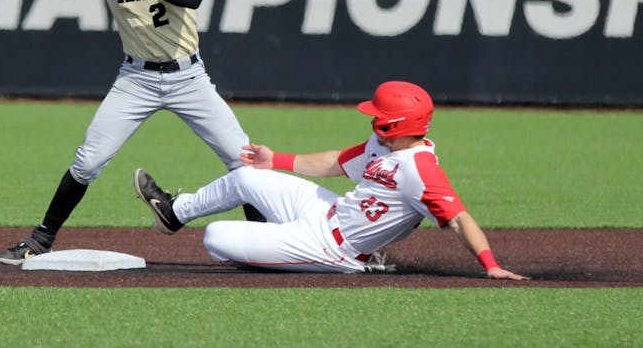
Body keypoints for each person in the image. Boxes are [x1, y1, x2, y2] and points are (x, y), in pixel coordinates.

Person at [0, 0, 263, 265]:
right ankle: (41, 239)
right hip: (135, 79)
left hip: (188, 78)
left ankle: (263, 244)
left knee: (243, 160)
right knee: (88, 162)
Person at [134, 81, 530, 279]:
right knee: (249, 176)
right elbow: (335, 162)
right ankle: (174, 212)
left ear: (395, 123)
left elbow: (459, 217)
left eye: (377, 115)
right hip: (325, 211)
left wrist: (490, 265)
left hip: (332, 248)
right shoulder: (385, 144)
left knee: (216, 237)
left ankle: (281, 245)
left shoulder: (420, 169)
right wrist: (278, 160)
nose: (371, 118)